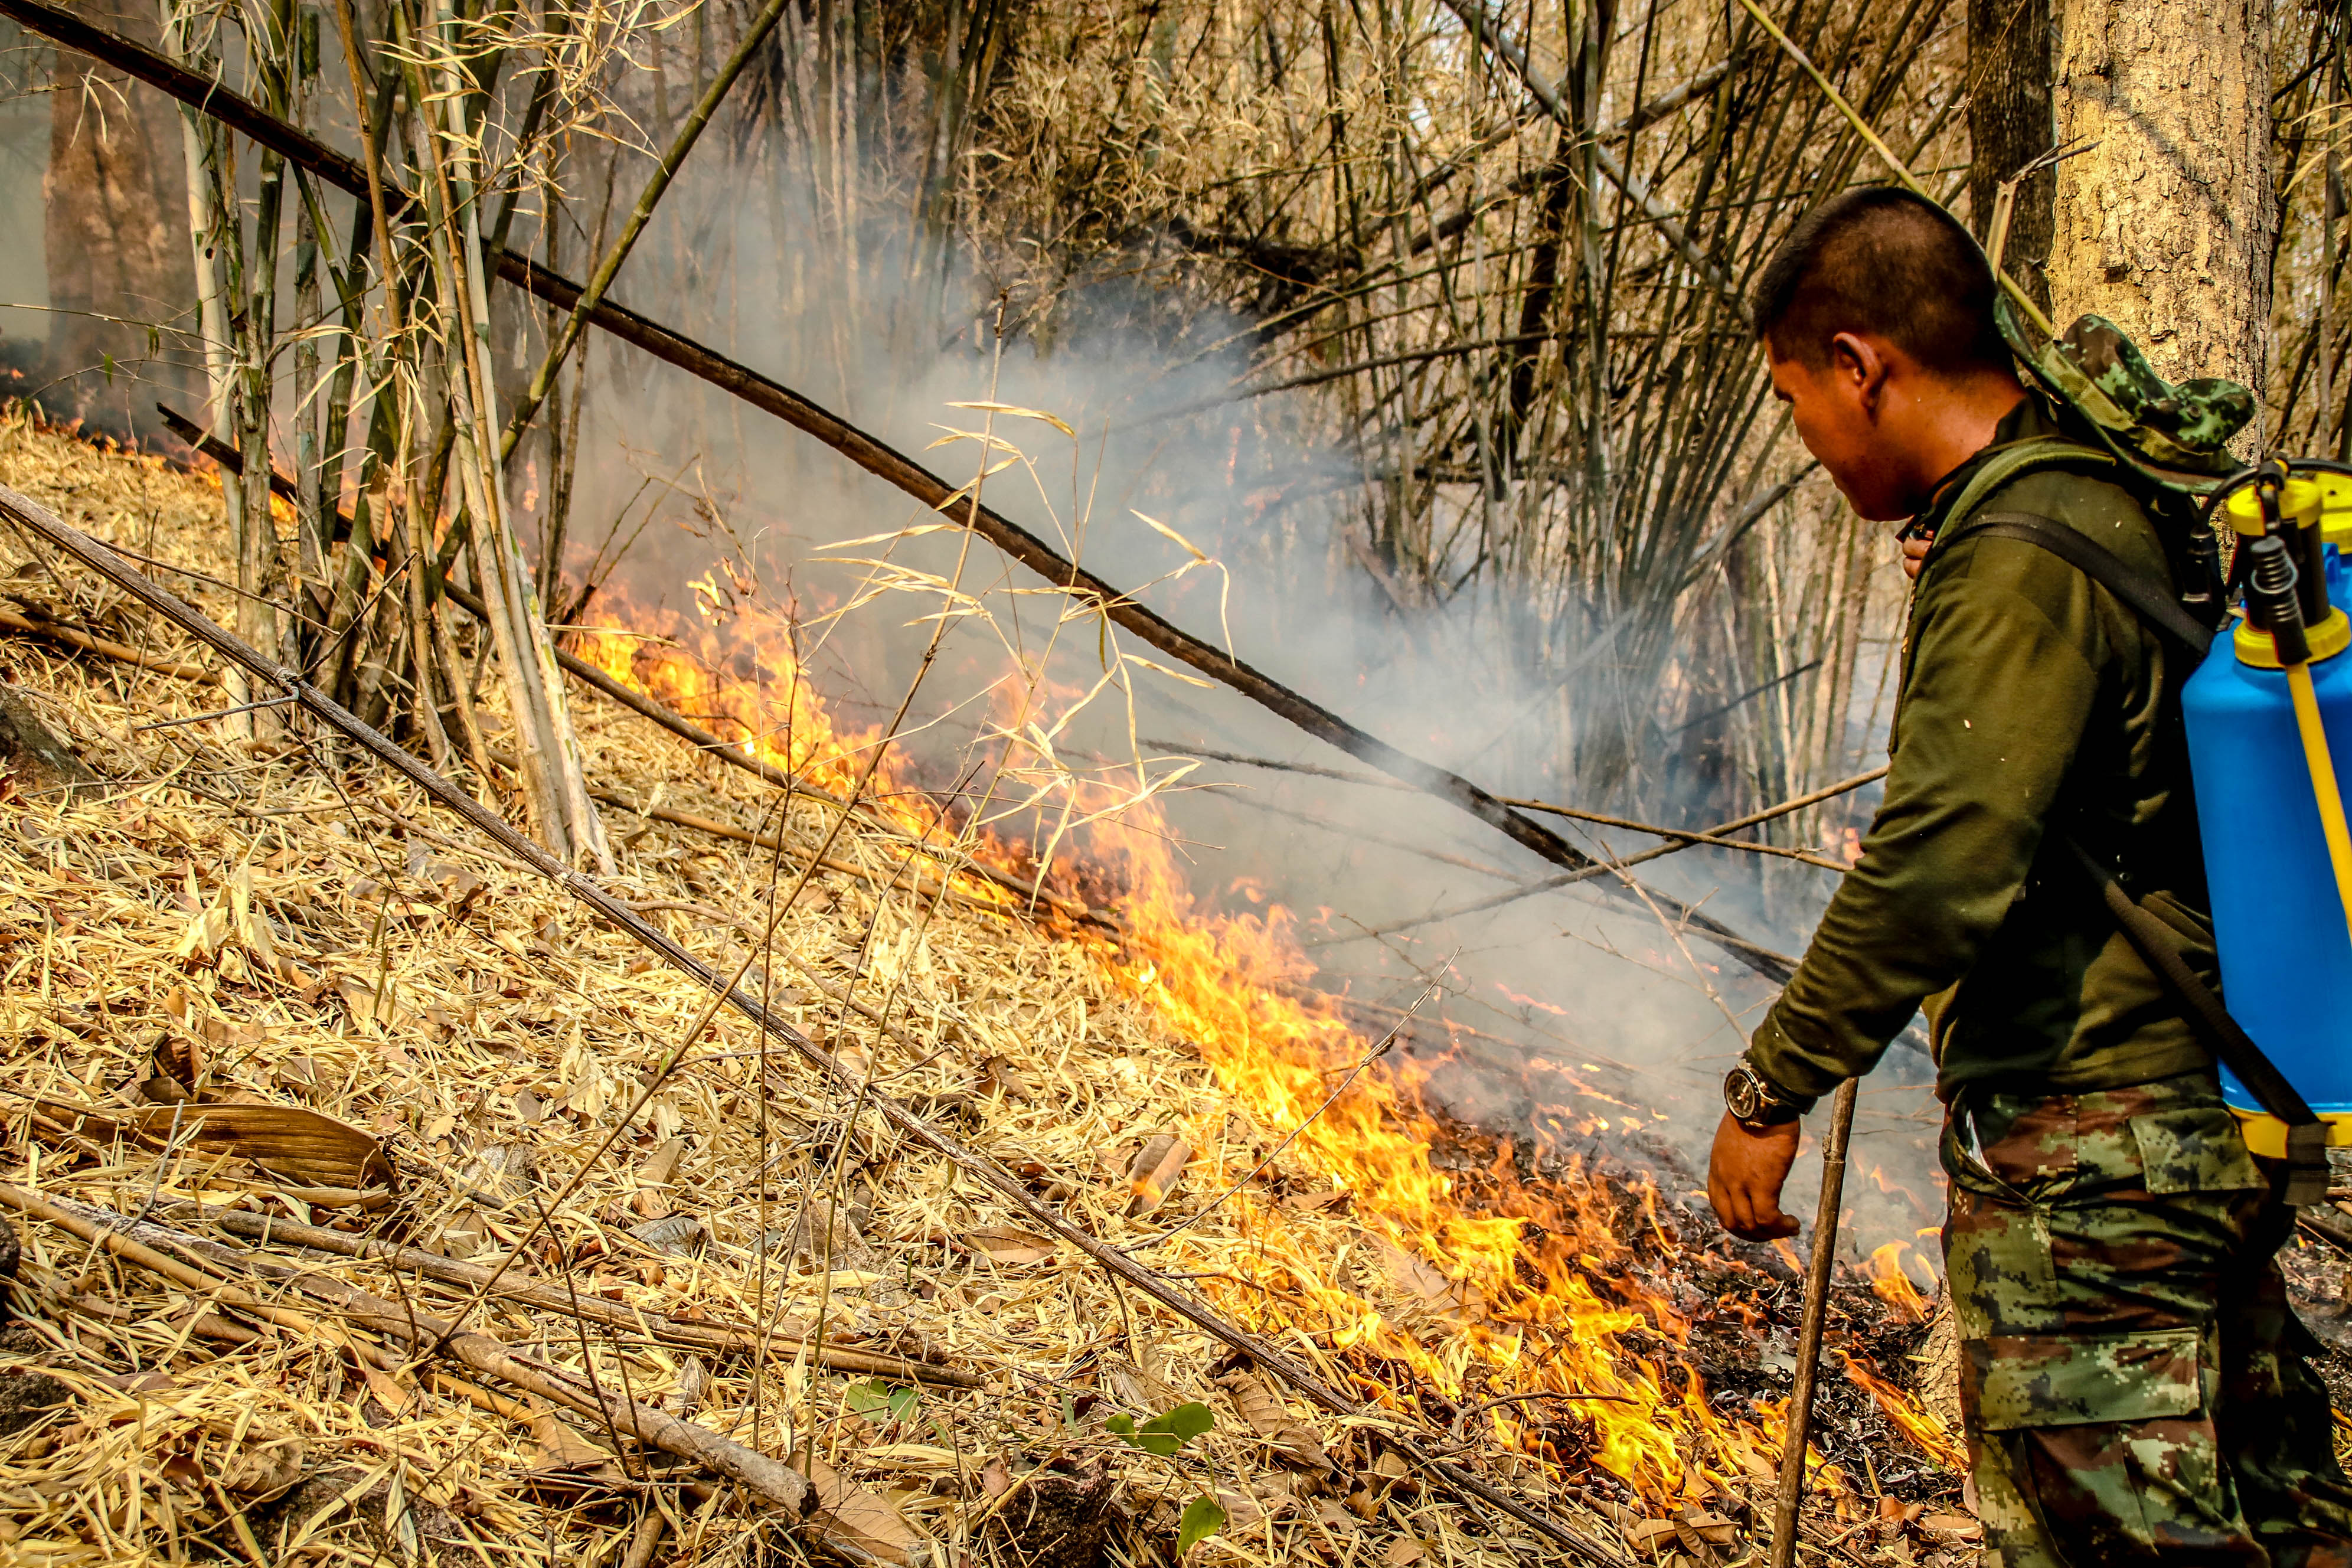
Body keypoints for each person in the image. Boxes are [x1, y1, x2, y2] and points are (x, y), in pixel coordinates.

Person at [1707, 185, 2352, 1567]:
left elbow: (1941, 865)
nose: (1807, 442)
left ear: (1858, 364)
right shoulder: (2093, 497)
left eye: (1792, 399)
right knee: (2284, 1514)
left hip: (2096, 1160)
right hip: (2195, 1118)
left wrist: (1774, 1084)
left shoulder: (2016, 552)